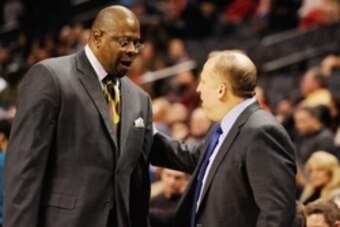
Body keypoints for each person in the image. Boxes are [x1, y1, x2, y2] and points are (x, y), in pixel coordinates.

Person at [4, 5, 154, 227]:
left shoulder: (140, 98)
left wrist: (216, 144)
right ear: (97, 38)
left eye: (136, 43)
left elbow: (146, 157)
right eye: (124, 42)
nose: (132, 50)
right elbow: (24, 170)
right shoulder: (51, 77)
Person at [151, 50, 297, 227]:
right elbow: (196, 158)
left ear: (221, 90)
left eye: (203, 82)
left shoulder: (262, 131)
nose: (198, 89)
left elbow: (277, 213)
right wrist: (147, 136)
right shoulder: (223, 123)